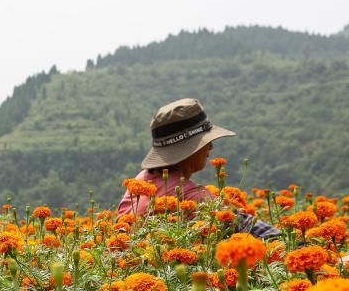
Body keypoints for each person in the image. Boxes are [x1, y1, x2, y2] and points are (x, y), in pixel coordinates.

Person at [117, 98, 279, 238]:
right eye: (205, 141)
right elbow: (261, 232)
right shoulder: (194, 198)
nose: (211, 147)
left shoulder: (142, 179)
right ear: (189, 149)